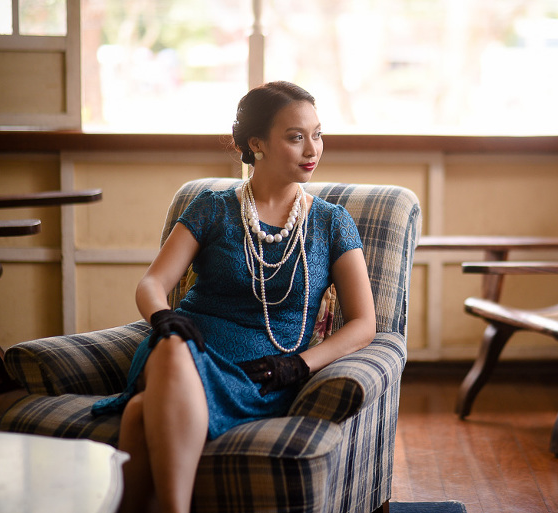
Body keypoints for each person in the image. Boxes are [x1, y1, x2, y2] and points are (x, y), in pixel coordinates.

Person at [92, 81, 376, 513]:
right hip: (188, 346)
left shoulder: (332, 223)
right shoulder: (212, 207)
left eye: (317, 134)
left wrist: (299, 364)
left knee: (138, 415)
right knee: (171, 348)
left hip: (264, 374)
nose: (311, 149)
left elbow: (364, 323)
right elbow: (152, 283)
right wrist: (162, 318)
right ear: (256, 143)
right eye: (295, 136)